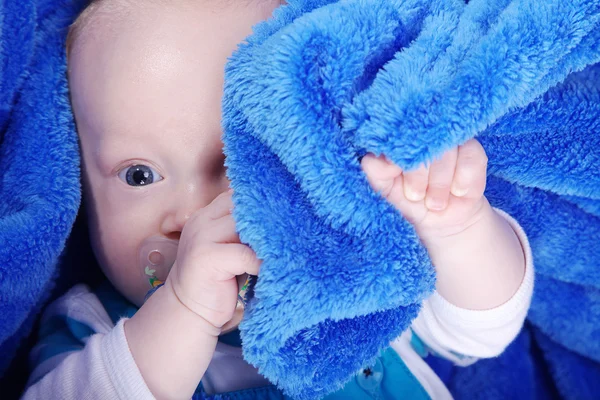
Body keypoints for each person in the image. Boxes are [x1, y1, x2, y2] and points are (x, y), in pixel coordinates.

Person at [22, 0, 533, 399]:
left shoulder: (358, 280)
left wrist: (456, 228)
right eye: (138, 174)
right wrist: (181, 311)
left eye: (238, 159)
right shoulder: (95, 333)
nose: (194, 213)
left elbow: (481, 334)